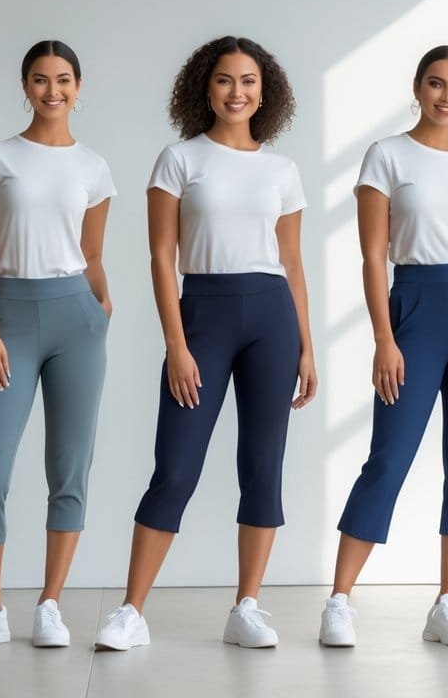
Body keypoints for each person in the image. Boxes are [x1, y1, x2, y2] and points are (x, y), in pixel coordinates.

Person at [95, 36, 317, 651]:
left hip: (272, 317)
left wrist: (306, 346)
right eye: (224, 80)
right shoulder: (179, 159)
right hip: (203, 317)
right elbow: (161, 258)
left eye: (248, 81)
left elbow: (292, 264)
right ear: (205, 87)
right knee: (176, 467)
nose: (237, 92)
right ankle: (131, 612)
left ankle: (247, 606)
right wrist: (178, 343)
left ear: (264, 91)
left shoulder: (282, 170)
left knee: (262, 466)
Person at [319, 46, 448, 648]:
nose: (447, 96)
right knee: (389, 456)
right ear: (417, 88)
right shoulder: (385, 156)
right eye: (436, 84)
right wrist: (384, 338)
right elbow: (372, 257)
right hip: (415, 307)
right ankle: (339, 599)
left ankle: (447, 602)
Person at [0, 40, 115, 649]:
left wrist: (101, 308)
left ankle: (50, 603)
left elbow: (93, 254)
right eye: (41, 80)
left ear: (78, 86)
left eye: (64, 79)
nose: (53, 91)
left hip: (77, 318)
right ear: (25, 86)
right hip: (10, 317)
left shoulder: (93, 167)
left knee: (69, 469)